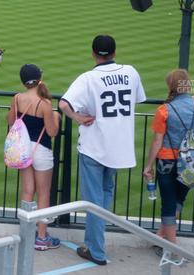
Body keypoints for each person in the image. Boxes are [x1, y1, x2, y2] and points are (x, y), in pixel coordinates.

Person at [59, 35, 145, 266]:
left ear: (93, 53)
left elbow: (64, 104)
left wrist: (77, 117)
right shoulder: (131, 72)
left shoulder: (88, 78)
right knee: (104, 197)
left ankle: (96, 250)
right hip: (119, 147)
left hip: (94, 147)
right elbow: (136, 99)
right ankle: (96, 241)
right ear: (115, 52)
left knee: (93, 202)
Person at [143, 69, 194, 259]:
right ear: (188, 84)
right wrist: (187, 95)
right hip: (193, 163)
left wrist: (148, 166)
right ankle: (161, 237)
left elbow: (157, 142)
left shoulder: (164, 110)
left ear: (170, 86)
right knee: (178, 200)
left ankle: (172, 247)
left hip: (167, 162)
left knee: (168, 203)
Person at [7, 64, 60, 251]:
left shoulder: (17, 98)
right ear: (39, 79)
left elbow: (11, 121)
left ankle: (26, 233)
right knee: (43, 192)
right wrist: (56, 117)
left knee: (28, 190)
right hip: (41, 149)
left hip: (22, 148)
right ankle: (42, 237)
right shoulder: (44, 103)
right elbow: (52, 131)